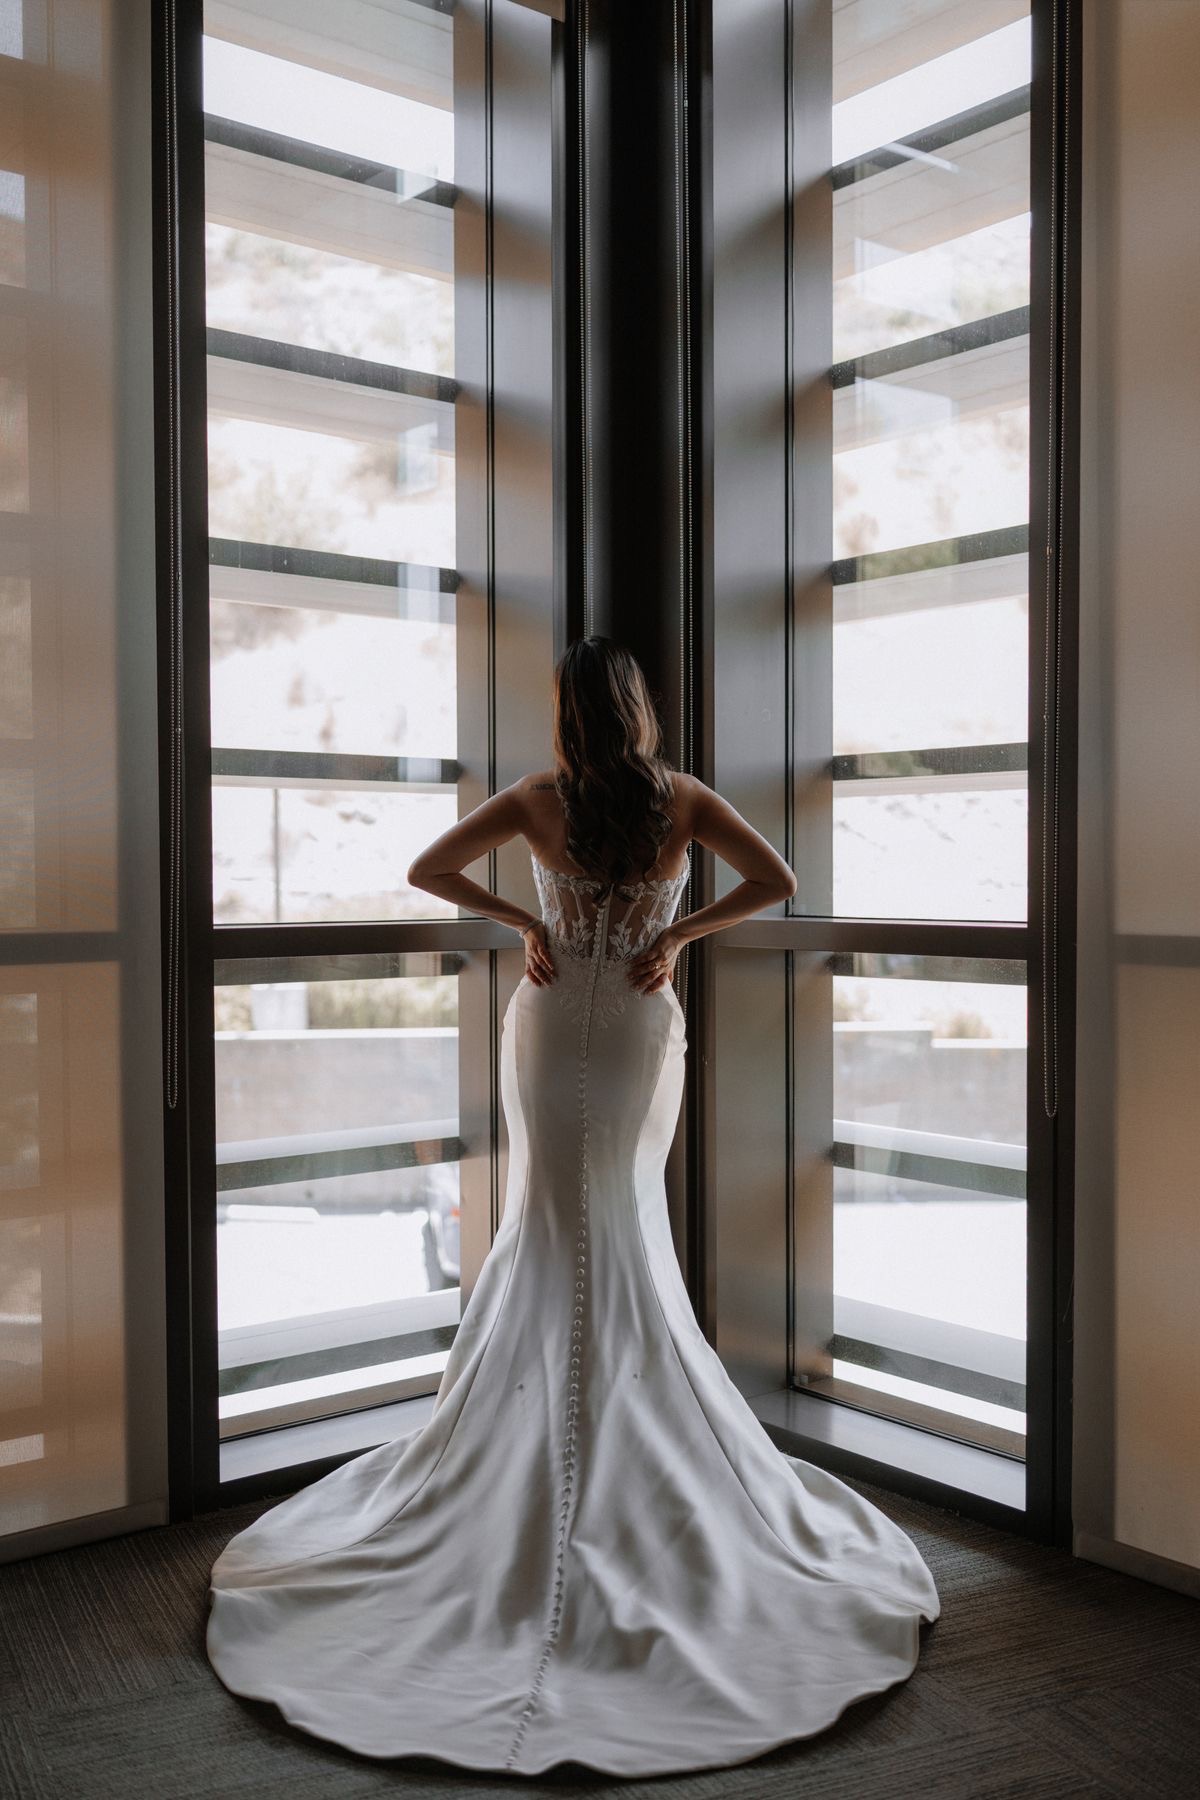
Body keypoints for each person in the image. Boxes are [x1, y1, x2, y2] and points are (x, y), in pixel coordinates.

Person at [205, 637, 939, 1778]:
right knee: (620, 1226)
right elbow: (778, 885)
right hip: (640, 1019)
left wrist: (531, 929)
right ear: (638, 711)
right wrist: (674, 938)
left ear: (566, 715)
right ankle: (626, 1454)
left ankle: (547, 1447)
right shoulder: (682, 799)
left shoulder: (538, 800)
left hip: (551, 1026)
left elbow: (431, 870)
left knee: (555, 1226)